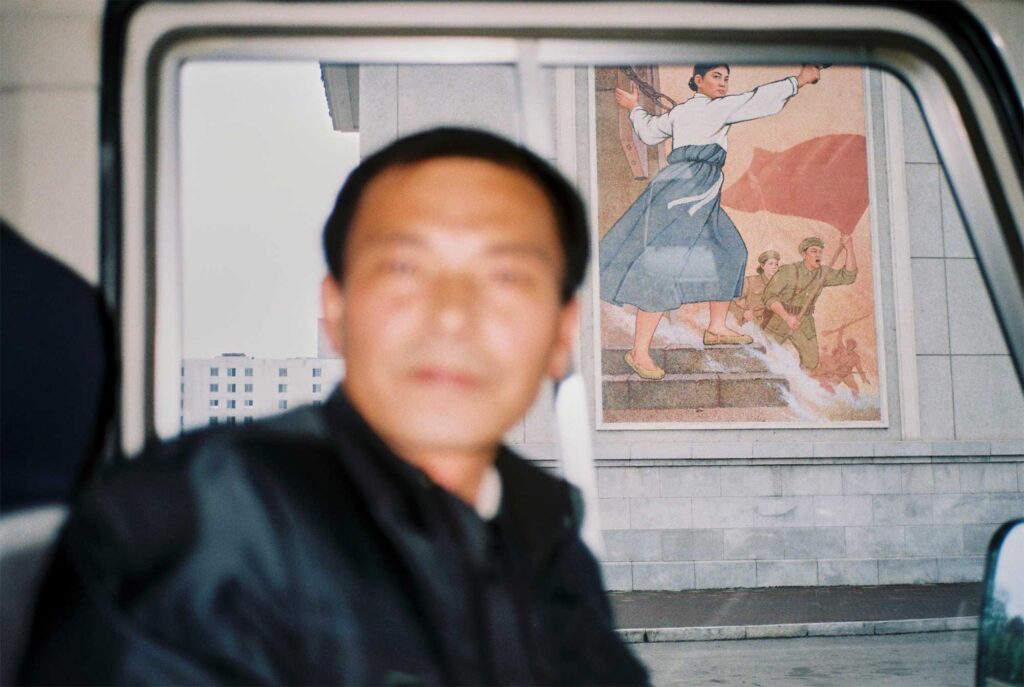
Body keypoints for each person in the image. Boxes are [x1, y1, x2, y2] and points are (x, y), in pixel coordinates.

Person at [20, 128, 648, 685]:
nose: (453, 316)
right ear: (337, 313)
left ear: (562, 334)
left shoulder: (541, 531)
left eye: (506, 276)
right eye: (404, 267)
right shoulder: (194, 527)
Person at [600, 63, 822, 381]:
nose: (724, 83)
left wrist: (635, 109)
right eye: (716, 77)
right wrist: (800, 80)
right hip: (686, 189)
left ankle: (716, 328)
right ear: (698, 80)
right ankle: (639, 351)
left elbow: (649, 129)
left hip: (699, 188)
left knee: (730, 251)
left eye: (727, 78)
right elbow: (759, 99)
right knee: (663, 264)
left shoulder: (688, 112)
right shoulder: (715, 109)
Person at [762, 235, 858, 370]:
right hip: (780, 319)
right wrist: (787, 318)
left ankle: (798, 387)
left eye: (820, 251)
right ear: (804, 254)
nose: (818, 254)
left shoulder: (823, 273)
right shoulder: (788, 271)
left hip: (804, 322)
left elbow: (848, 277)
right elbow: (769, 296)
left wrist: (849, 248)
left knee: (811, 362)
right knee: (761, 354)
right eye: (813, 251)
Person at [729, 249, 781, 327]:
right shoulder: (750, 281)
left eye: (776, 264)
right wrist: (743, 313)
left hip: (771, 327)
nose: (774, 267)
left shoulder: (781, 285)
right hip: (751, 325)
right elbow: (729, 301)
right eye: (770, 264)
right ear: (762, 266)